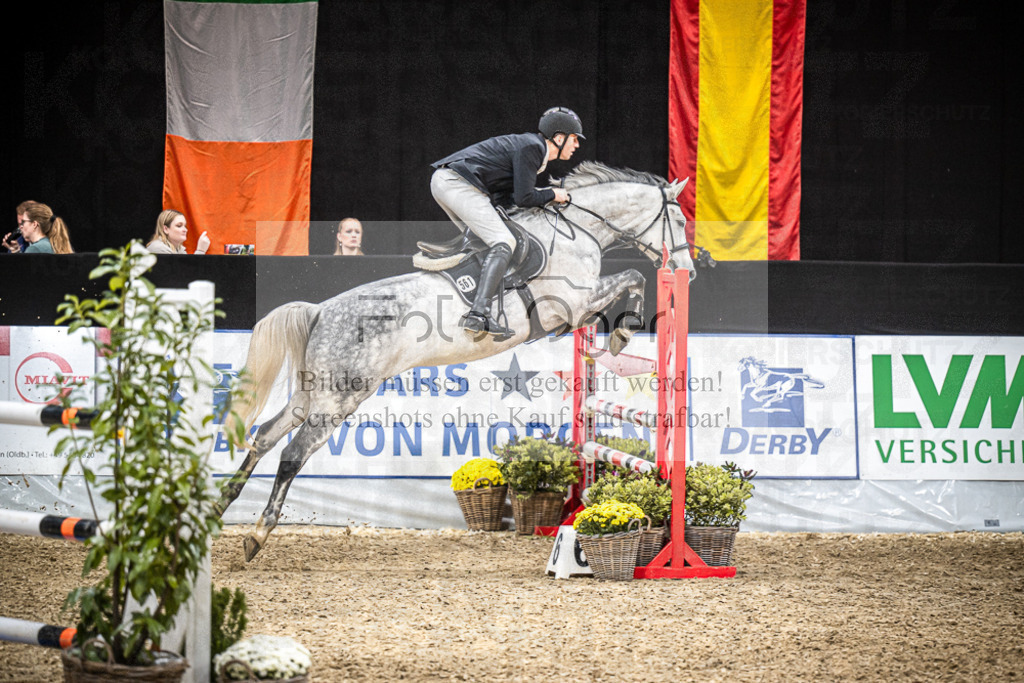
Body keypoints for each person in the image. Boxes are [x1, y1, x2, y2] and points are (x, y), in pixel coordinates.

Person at [430, 106, 583, 338]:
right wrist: (553, 194)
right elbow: (524, 198)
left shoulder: (532, 148)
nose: (577, 145)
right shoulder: (533, 148)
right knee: (503, 241)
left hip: (449, 182)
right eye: (574, 139)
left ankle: (468, 300)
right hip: (458, 183)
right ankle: (478, 313)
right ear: (559, 138)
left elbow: (508, 196)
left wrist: (545, 194)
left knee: (488, 241)